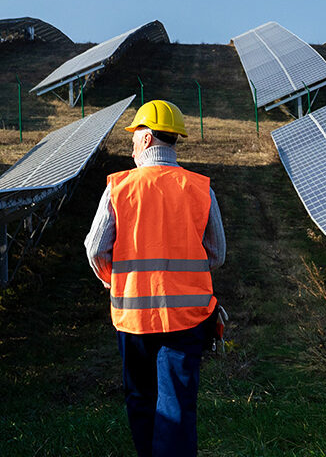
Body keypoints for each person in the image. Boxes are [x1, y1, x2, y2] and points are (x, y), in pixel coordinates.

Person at [85, 99, 226, 457]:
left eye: (134, 137)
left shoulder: (119, 188)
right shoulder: (199, 188)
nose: (131, 145)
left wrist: (114, 281)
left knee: (141, 399)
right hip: (187, 318)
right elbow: (217, 253)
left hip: (133, 319)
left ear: (147, 139)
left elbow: (95, 249)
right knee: (177, 405)